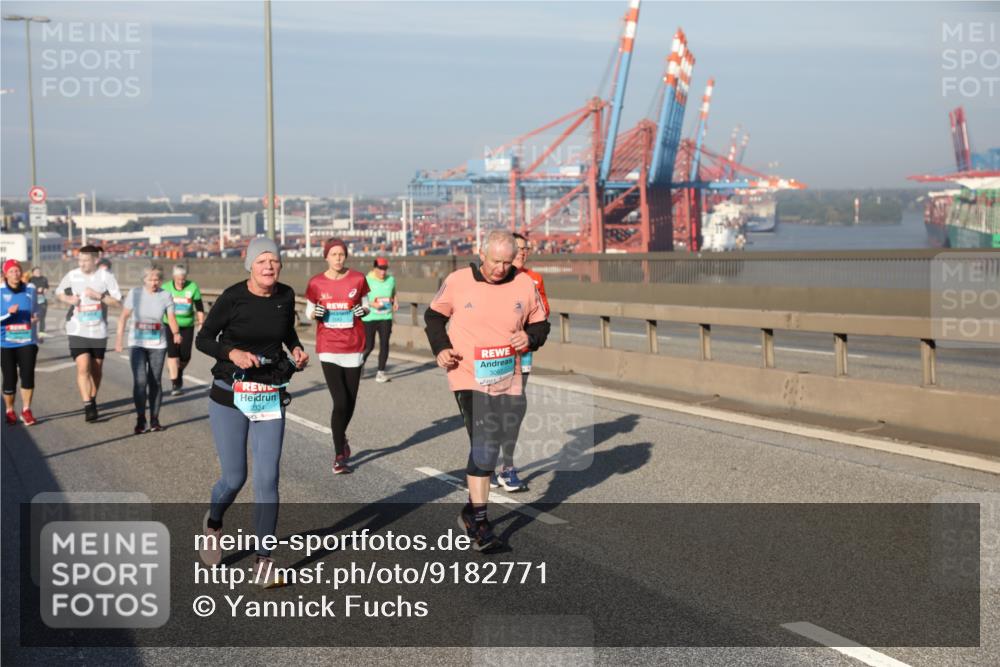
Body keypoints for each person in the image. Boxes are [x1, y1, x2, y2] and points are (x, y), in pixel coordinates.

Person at [424, 231, 550, 551]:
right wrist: (441, 348)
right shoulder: (458, 280)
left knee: (495, 445)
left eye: (508, 262)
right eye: (496, 261)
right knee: (484, 442)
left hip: (507, 375)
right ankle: (480, 522)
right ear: (482, 253)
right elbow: (434, 316)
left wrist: (531, 338)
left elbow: (540, 323)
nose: (501, 268)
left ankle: (469, 510)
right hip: (467, 373)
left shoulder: (524, 283)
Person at [195, 238, 308, 585]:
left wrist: (297, 347)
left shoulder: (286, 296)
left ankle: (264, 559)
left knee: (268, 478)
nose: (269, 266)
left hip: (269, 394)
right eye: (262, 260)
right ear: (249, 265)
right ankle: (214, 523)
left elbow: (286, 330)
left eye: (274, 260)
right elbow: (204, 339)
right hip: (230, 394)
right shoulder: (233, 297)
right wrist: (232, 354)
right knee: (234, 478)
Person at [491, 233, 553, 492]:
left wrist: (528, 332)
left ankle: (507, 466)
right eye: (518, 248)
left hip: (521, 351)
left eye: (526, 248)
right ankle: (485, 464)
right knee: (491, 409)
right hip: (493, 354)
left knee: (514, 408)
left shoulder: (534, 278)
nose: (523, 252)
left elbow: (543, 314)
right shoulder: (490, 277)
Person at [304, 238, 370, 475]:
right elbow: (308, 310)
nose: (338, 258)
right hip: (329, 347)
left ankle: (340, 436)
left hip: (353, 346)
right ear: (326, 257)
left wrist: (364, 310)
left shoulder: (358, 279)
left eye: (341, 254)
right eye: (333, 254)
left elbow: (366, 304)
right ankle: (339, 455)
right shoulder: (316, 283)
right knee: (340, 401)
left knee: (350, 401)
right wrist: (315, 313)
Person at [56, 245, 122, 422]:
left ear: (95, 260)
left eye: (86, 260)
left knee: (96, 370)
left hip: (98, 330)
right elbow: (59, 292)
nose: (82, 263)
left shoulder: (106, 276)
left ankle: (92, 397)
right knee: (83, 366)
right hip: (77, 329)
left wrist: (99, 296)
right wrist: (69, 298)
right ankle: (88, 405)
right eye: (80, 260)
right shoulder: (72, 275)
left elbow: (117, 301)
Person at [115, 266, 183, 434]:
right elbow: (123, 317)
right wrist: (118, 340)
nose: (154, 283)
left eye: (157, 280)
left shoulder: (165, 295)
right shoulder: (135, 293)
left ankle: (154, 419)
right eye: (151, 279)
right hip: (137, 343)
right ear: (144, 280)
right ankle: (140, 419)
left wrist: (176, 333)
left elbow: (171, 318)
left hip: (157, 345)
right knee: (140, 382)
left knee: (155, 381)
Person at [1, 259, 40, 426]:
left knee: (28, 376)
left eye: (17, 270)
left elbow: (36, 309)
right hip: (5, 342)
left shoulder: (30, 289)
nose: (15, 274)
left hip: (27, 340)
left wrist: (36, 316)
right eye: (11, 271)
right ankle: (9, 410)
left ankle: (26, 410)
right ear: (5, 274)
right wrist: (8, 314)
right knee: (10, 379)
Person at [163, 264, 205, 396]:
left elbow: (199, 307)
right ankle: (175, 383)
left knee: (185, 355)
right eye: (178, 279)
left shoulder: (192, 287)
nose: (181, 282)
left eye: (183, 279)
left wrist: (201, 323)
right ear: (174, 277)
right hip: (169, 323)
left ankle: (178, 371)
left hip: (187, 325)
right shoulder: (166, 288)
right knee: (173, 353)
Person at [361, 256, 397, 383]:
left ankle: (380, 373)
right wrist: (371, 304)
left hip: (386, 317)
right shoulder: (366, 280)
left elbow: (393, 293)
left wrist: (395, 302)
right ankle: (360, 364)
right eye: (380, 269)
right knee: (368, 346)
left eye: (385, 269)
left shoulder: (391, 280)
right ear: (374, 268)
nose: (383, 272)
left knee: (384, 344)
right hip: (369, 318)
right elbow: (360, 298)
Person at [28, 267, 49, 340]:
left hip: (42, 301)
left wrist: (44, 289)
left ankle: (41, 335)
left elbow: (46, 288)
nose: (38, 272)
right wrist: (36, 290)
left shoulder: (44, 279)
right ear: (33, 272)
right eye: (36, 271)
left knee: (42, 318)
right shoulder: (30, 280)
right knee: (33, 318)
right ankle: (32, 334)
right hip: (32, 301)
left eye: (39, 271)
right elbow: (28, 290)